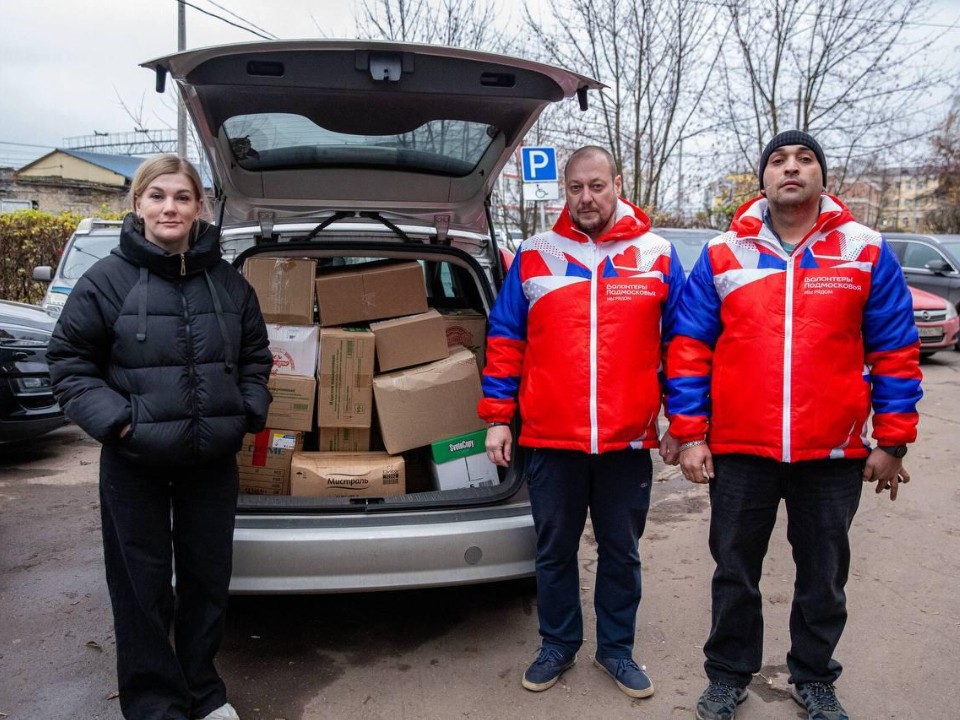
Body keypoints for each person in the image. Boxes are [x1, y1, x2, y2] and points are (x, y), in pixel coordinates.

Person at [664, 130, 923, 720]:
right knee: (734, 570)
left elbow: (895, 350)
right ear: (763, 179)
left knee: (824, 576)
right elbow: (689, 348)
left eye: (805, 160)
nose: (791, 168)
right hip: (741, 449)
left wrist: (894, 439)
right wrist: (691, 433)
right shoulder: (724, 253)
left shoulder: (865, 250)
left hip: (831, 453)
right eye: (778, 160)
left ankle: (814, 677)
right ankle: (728, 675)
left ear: (821, 178)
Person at [47, 154, 273, 720]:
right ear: (139, 204)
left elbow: (255, 357)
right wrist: (120, 423)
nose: (169, 207)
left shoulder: (228, 283)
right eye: (158, 196)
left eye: (182, 197)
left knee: (206, 583)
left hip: (210, 462)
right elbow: (69, 363)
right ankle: (153, 705)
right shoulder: (106, 281)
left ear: (200, 207)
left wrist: (246, 411)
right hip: (134, 462)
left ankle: (204, 693)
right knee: (140, 588)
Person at [478, 146, 685, 699]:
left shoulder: (657, 254)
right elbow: (505, 340)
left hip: (626, 439)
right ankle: (558, 643)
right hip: (550, 437)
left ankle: (616, 650)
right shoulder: (535, 253)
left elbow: (681, 345)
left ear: (618, 183)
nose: (586, 198)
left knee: (621, 550)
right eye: (575, 188)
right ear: (564, 191)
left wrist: (682, 423)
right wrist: (499, 418)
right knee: (553, 549)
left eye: (596, 185)